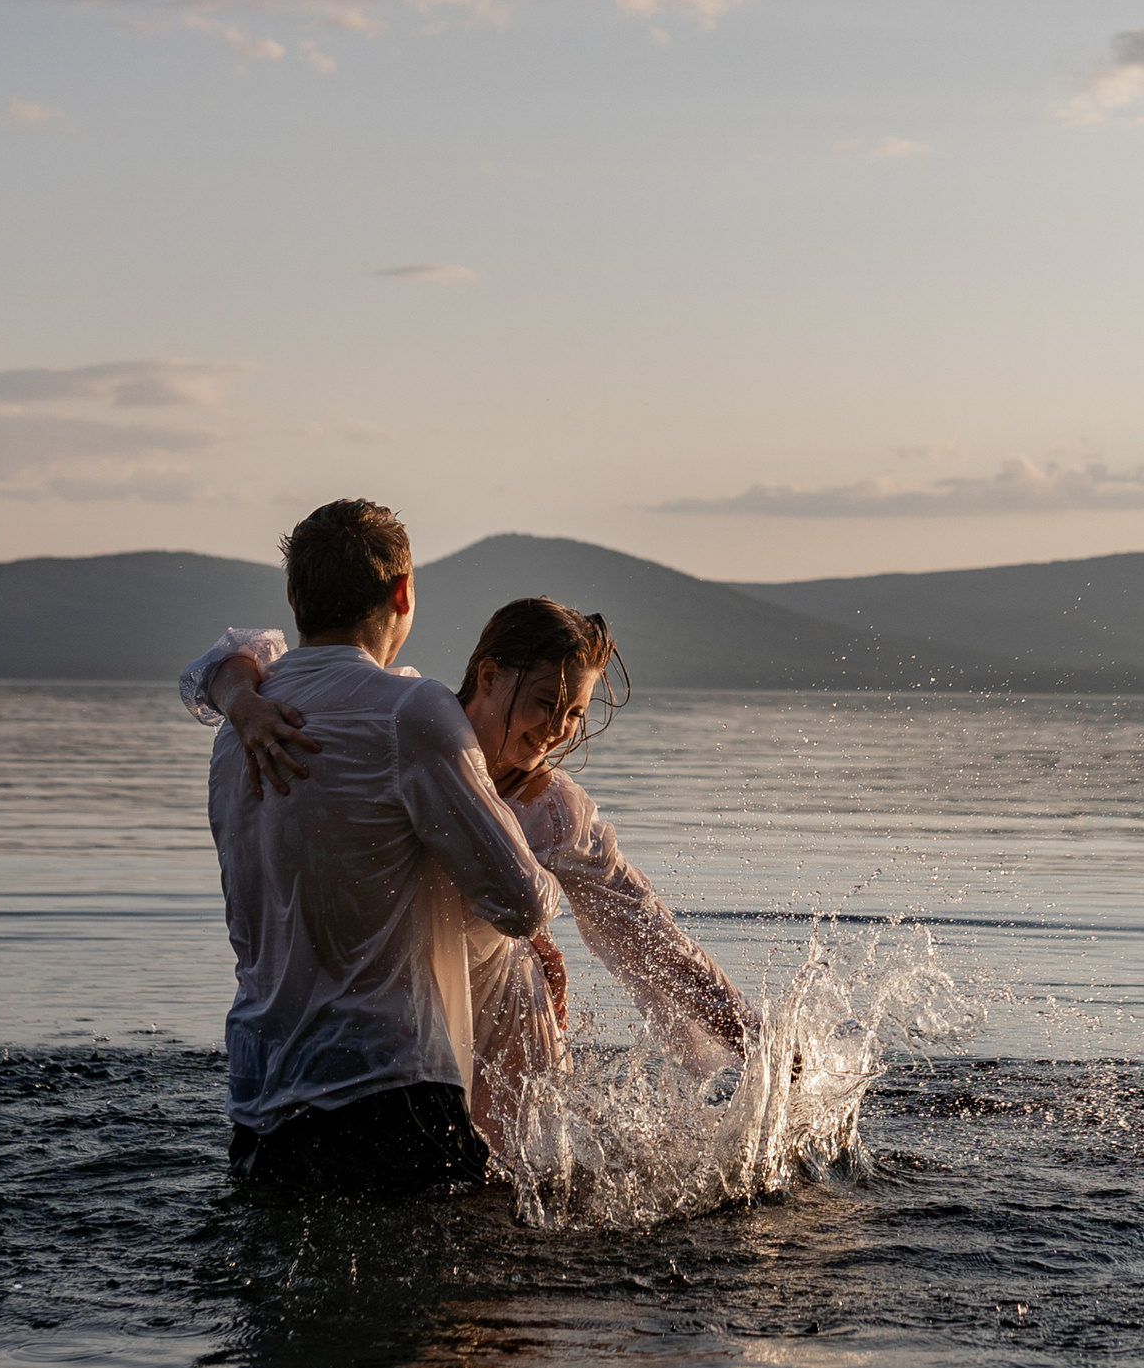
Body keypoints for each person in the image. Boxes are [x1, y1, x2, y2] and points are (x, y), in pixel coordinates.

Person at [183, 596, 758, 1156]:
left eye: (575, 713)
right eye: (543, 702)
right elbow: (240, 654)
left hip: (502, 1039)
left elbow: (648, 931)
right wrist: (242, 703)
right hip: (402, 1047)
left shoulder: (554, 813)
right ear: (487, 676)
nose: (557, 728)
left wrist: (753, 1038)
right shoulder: (410, 720)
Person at [200, 500, 561, 1198]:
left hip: (262, 1104)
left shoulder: (235, 732)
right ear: (402, 591)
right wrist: (515, 806)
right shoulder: (410, 709)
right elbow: (520, 901)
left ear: (294, 597)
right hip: (391, 1097)